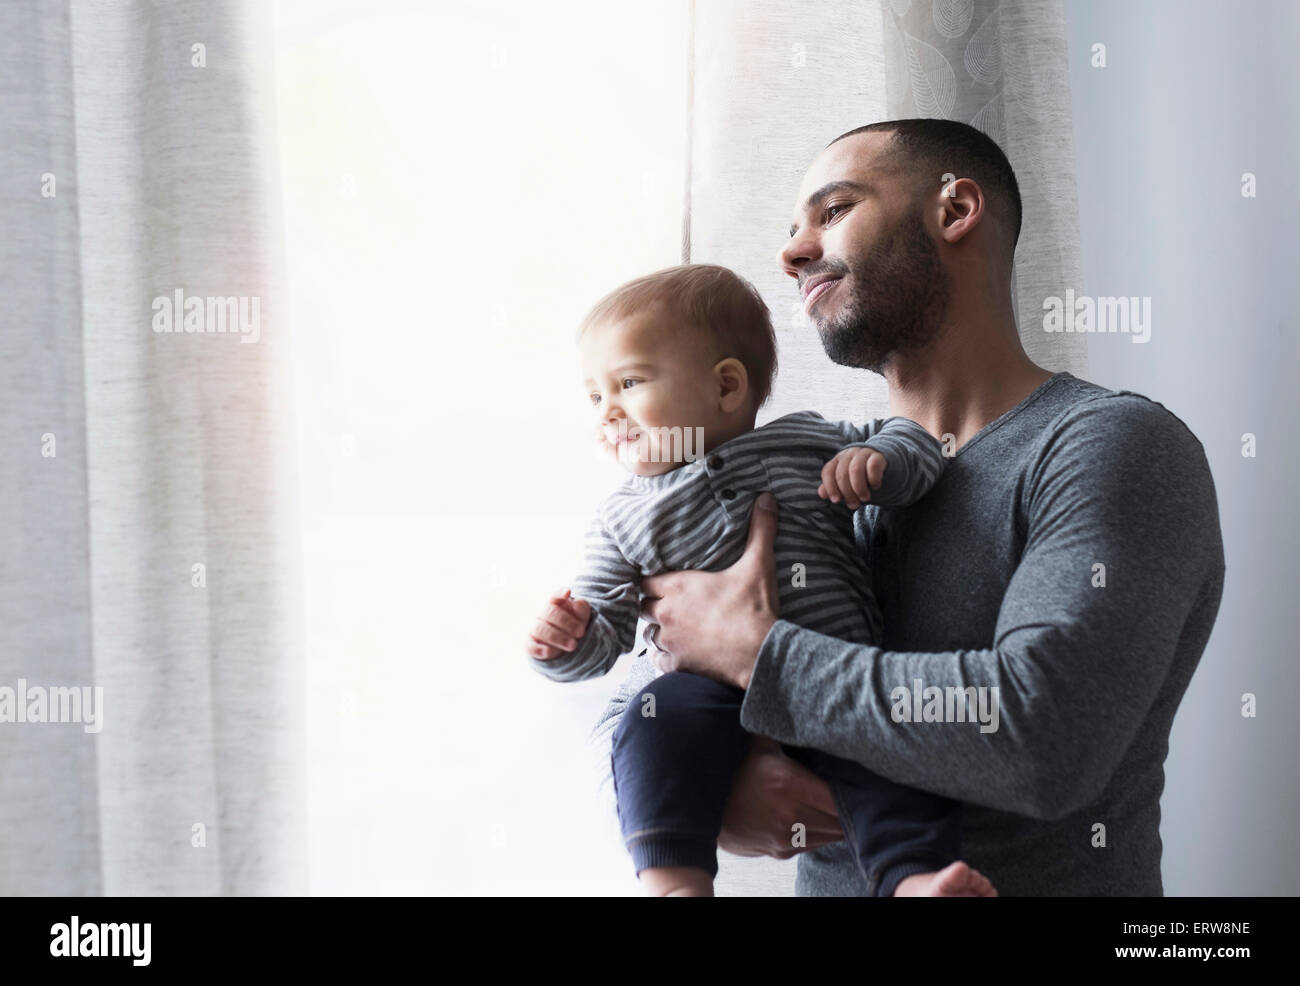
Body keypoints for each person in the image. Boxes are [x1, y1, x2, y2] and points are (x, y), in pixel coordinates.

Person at [596, 118, 1226, 896]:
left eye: (832, 211)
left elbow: (1044, 739)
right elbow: (687, 678)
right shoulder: (820, 479)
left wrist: (761, 658)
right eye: (792, 230)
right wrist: (719, 784)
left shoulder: (1112, 447)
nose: (791, 253)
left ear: (955, 210)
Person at [528, 262, 995, 897]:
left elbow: (915, 440)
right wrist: (567, 639)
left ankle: (912, 879)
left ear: (725, 387)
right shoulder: (620, 519)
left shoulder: (805, 441)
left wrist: (881, 461)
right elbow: (604, 634)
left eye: (629, 382)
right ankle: (676, 881)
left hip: (833, 677)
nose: (607, 411)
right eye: (593, 396)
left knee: (895, 750)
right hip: (706, 700)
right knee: (650, 718)